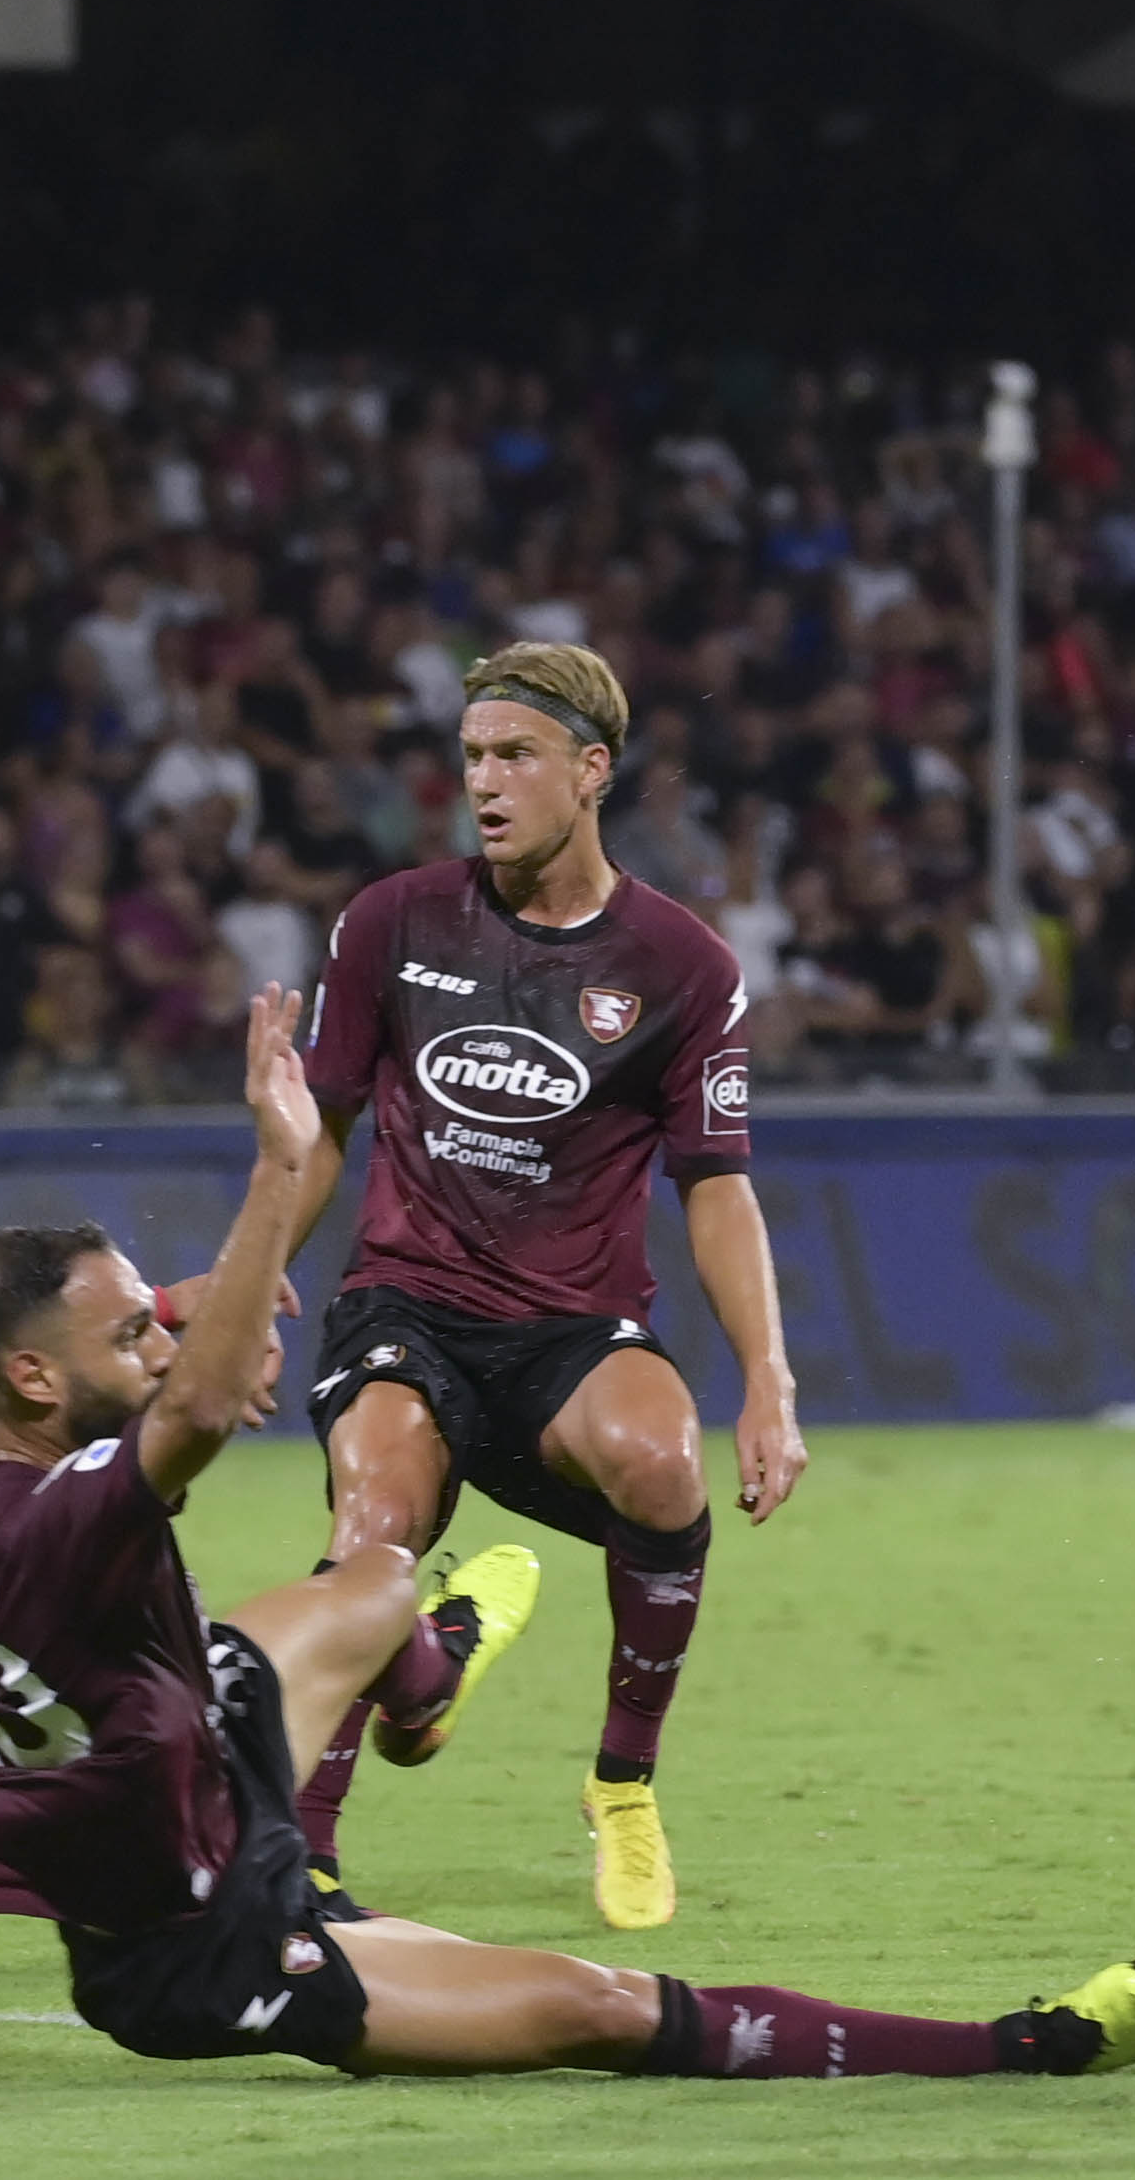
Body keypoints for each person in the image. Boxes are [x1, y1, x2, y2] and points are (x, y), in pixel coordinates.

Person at [0, 990, 1135, 2080]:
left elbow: (153, 1370)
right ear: (37, 1376)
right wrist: (277, 1168)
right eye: (131, 1336)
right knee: (597, 2007)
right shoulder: (63, 1522)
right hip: (198, 1936)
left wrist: (179, 1304)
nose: (160, 1341)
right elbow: (199, 1403)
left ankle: (430, 1668)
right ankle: (1014, 2045)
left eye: (153, 1320)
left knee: (372, 1574)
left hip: (202, 1735)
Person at [290, 640, 807, 1930]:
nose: (485, 782)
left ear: (592, 771)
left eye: (514, 754)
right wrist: (249, 1298)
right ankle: (300, 1860)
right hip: (401, 1302)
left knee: (662, 1461)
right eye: (470, 756)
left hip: (568, 1328)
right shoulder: (392, 919)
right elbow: (319, 1128)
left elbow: (716, 1184)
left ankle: (621, 1782)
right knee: (373, 1530)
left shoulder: (684, 967)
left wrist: (768, 1379)